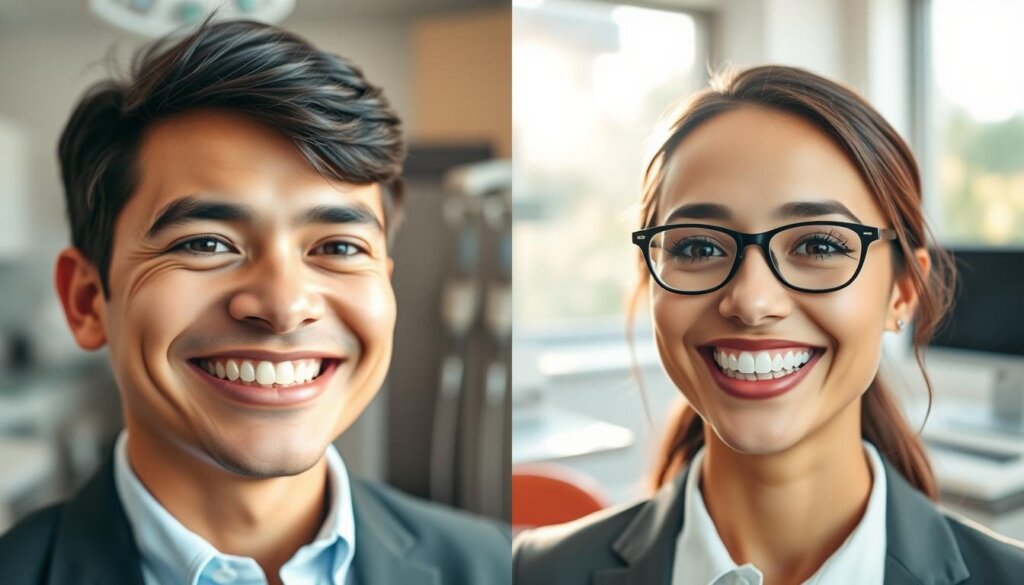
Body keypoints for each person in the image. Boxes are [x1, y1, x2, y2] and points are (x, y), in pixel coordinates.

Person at [0, 19, 509, 585]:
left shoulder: (495, 564)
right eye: (205, 243)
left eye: (339, 247)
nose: (285, 304)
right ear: (88, 300)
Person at [513, 65, 1024, 584]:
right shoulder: (533, 572)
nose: (752, 301)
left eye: (819, 245)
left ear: (902, 292)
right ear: (650, 280)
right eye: (698, 246)